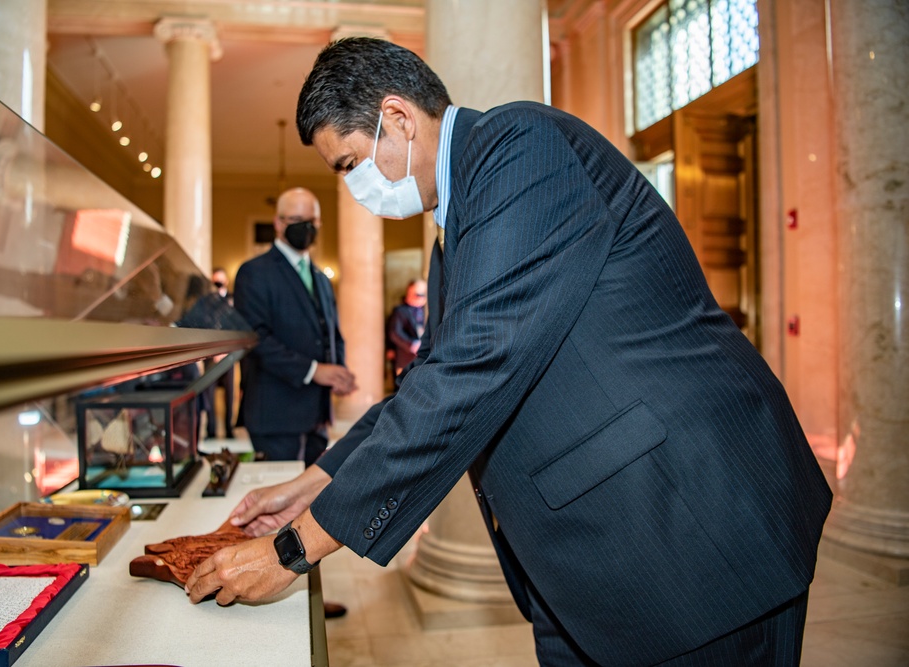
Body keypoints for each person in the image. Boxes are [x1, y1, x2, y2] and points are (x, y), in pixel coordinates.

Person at [186, 38, 832, 666]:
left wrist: (294, 549)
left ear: (398, 117)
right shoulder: (457, 227)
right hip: (591, 555)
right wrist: (314, 483)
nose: (354, 188)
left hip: (687, 531)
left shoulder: (518, 146)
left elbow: (474, 370)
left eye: (351, 163)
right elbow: (430, 377)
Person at [231, 187, 356, 468]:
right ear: (278, 223)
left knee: (310, 503)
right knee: (280, 505)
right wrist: (315, 370)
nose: (305, 227)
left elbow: (331, 332)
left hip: (318, 416)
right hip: (275, 414)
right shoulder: (253, 273)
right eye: (296, 219)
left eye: (311, 221)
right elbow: (256, 339)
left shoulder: (321, 278)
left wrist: (339, 371)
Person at [200, 267, 237, 439]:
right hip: (210, 356)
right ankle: (211, 429)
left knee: (229, 394)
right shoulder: (206, 302)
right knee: (209, 393)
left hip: (228, 355)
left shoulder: (232, 300)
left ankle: (229, 428)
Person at [385, 278, 426, 377]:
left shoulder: (426, 310)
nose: (414, 297)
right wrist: (412, 345)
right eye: (411, 293)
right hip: (406, 357)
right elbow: (394, 333)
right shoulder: (401, 311)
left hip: (423, 358)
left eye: (419, 294)